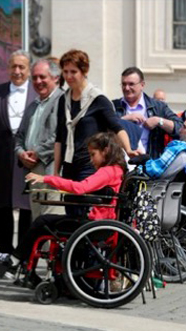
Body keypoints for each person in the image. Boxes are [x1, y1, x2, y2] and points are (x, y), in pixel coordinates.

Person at [0, 132, 127, 279]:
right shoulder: (116, 170)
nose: (91, 160)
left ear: (105, 151)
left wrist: (47, 178)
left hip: (96, 225)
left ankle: (14, 262)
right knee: (43, 223)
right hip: (99, 223)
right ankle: (18, 264)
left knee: (42, 222)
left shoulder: (108, 171)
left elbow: (81, 188)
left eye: (93, 154)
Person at [54, 51, 137, 218]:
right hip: (69, 164)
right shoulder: (64, 100)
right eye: (65, 71)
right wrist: (56, 170)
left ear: (84, 72)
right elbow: (59, 137)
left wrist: (129, 149)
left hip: (90, 165)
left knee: (85, 214)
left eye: (73, 72)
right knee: (71, 214)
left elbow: (116, 126)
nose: (69, 76)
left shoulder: (98, 99)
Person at [0, 50, 37, 256]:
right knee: (2, 206)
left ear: (29, 69)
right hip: (1, 158)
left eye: (21, 67)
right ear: (8, 68)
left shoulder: (36, 93)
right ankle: (4, 252)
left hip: (28, 158)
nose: (17, 71)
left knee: (26, 207)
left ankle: (22, 255)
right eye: (13, 66)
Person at [14, 59, 64, 219]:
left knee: (49, 221)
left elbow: (59, 135)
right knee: (37, 221)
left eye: (42, 77)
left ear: (55, 77)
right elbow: (19, 136)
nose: (38, 82)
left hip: (51, 169)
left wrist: (37, 154)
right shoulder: (33, 105)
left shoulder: (62, 101)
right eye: (34, 78)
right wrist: (21, 153)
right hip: (33, 171)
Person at [112, 66, 182, 158]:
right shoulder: (113, 106)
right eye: (124, 84)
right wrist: (123, 120)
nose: (127, 88)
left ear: (142, 85)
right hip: (122, 164)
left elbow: (180, 128)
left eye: (131, 84)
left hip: (150, 164)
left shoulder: (158, 107)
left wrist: (159, 121)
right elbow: (101, 132)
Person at [144, 115, 186, 180]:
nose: (180, 130)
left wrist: (143, 162)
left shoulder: (180, 149)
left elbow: (154, 171)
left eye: (184, 127)